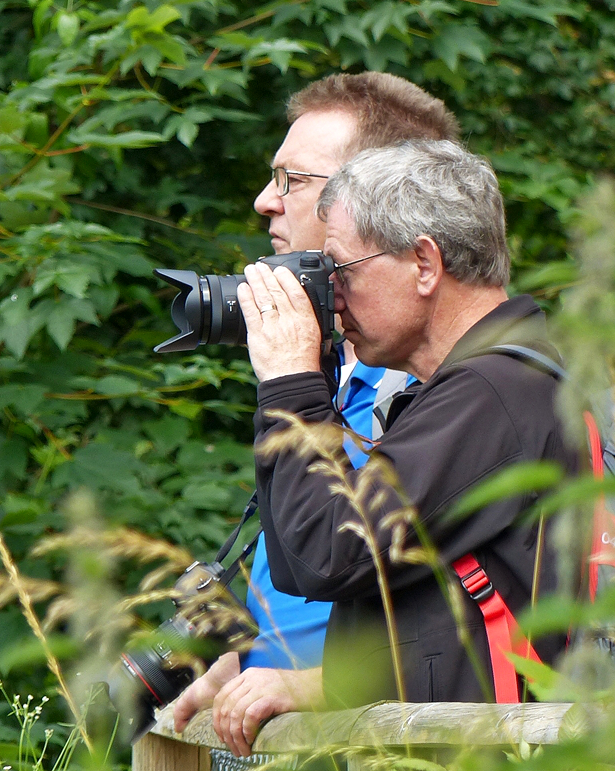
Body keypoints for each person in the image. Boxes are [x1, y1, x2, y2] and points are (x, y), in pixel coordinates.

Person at [235, 140, 574, 737]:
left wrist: (290, 384)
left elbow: (330, 554)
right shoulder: (484, 389)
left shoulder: (494, 391)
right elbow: (312, 567)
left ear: (424, 263)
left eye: (337, 270)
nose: (329, 299)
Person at [171, 73, 461, 756]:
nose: (264, 200)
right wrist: (240, 663)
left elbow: (461, 617)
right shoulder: (336, 367)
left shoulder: (436, 390)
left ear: (368, 197)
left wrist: (323, 683)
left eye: (292, 180)